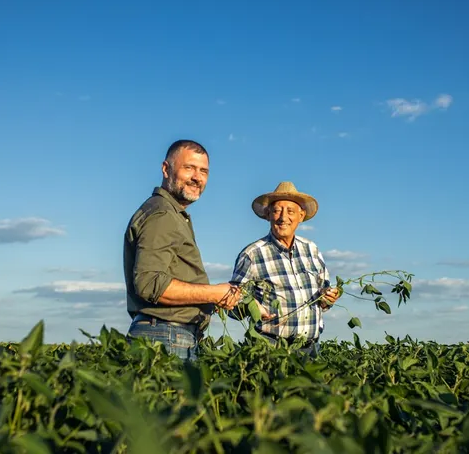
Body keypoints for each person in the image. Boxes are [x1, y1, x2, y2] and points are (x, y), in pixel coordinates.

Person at [123, 139, 241, 361]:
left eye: (203, 171)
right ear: (166, 169)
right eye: (189, 168)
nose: (197, 177)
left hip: (168, 335)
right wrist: (214, 293)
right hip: (165, 337)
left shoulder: (171, 214)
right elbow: (149, 283)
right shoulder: (163, 214)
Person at [227, 181, 342, 356]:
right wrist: (250, 305)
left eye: (290, 211)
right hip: (270, 349)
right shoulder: (253, 254)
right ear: (268, 215)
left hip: (310, 349)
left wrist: (329, 297)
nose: (283, 217)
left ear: (301, 215)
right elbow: (231, 302)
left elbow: (323, 297)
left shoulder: (311, 249)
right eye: (277, 211)